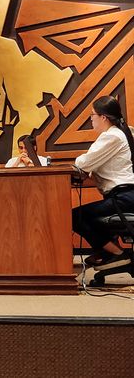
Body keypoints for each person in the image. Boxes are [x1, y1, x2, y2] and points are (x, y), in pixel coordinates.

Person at [73, 96, 134, 270]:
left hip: (123, 197)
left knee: (76, 216)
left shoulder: (112, 136)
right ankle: (108, 253)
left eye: (92, 115)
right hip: (125, 196)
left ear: (103, 117)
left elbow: (83, 163)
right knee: (88, 216)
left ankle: (117, 254)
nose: (91, 119)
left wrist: (85, 167)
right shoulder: (120, 133)